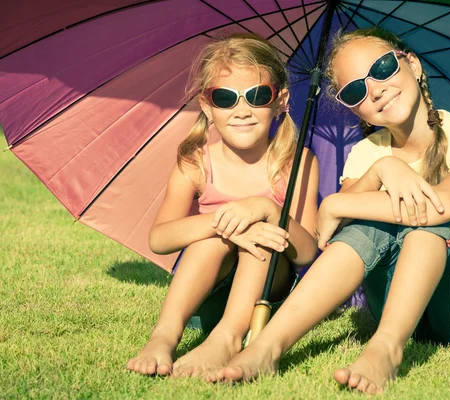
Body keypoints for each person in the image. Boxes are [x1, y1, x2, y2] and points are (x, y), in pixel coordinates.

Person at [210, 28, 450, 394]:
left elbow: (441, 206)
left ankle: (386, 349)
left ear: (413, 65)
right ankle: (268, 346)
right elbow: (340, 232)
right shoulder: (367, 153)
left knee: (425, 219)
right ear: (354, 107)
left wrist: (337, 202)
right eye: (356, 90)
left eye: (383, 68)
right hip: (397, 307)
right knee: (370, 222)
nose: (376, 89)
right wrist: (381, 170)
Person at [126, 34, 319, 378]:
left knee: (261, 240)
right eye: (225, 98)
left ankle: (228, 338)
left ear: (281, 101)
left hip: (267, 295)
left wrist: (268, 210)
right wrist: (226, 223)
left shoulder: (298, 161)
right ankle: (164, 335)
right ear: (207, 105)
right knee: (210, 239)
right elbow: (160, 238)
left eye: (258, 96)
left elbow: (306, 254)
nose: (242, 110)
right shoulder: (196, 162)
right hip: (208, 289)